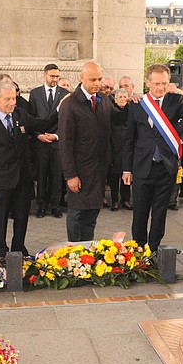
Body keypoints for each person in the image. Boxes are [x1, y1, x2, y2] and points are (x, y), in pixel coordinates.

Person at [0, 78, 58, 258]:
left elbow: (43, 124)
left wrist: (59, 109)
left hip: (22, 178)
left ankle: (19, 248)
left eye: (14, 98)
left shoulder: (20, 115)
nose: (13, 102)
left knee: (21, 217)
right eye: (8, 99)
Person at [122, 63, 183, 252]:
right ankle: (138, 251)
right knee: (140, 213)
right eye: (156, 84)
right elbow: (129, 139)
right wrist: (126, 169)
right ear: (148, 82)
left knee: (160, 214)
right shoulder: (137, 104)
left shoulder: (175, 100)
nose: (161, 87)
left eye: (164, 83)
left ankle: (153, 251)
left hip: (166, 168)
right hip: (142, 167)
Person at [58, 61, 124, 241]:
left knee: (92, 215)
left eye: (100, 79)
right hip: (79, 171)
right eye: (93, 79)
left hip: (99, 169)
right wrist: (70, 175)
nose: (97, 83)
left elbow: (117, 119)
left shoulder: (102, 99)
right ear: (81, 78)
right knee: (77, 215)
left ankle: (87, 251)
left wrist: (132, 105)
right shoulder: (70, 104)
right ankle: (75, 253)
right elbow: (65, 143)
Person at [28, 64, 69, 219]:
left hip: (57, 143)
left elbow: (66, 120)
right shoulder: (35, 94)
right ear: (44, 75)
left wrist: (56, 136)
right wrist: (38, 135)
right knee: (41, 174)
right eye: (52, 76)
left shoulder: (65, 94)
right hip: (40, 143)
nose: (55, 79)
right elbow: (31, 117)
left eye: (57, 76)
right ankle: (42, 205)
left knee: (57, 175)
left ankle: (56, 206)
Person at [107, 88, 130, 211]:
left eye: (124, 97)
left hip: (127, 150)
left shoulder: (131, 111)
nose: (122, 99)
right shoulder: (112, 111)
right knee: (114, 177)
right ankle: (115, 201)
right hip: (114, 149)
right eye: (120, 97)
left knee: (126, 177)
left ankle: (125, 200)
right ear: (115, 99)